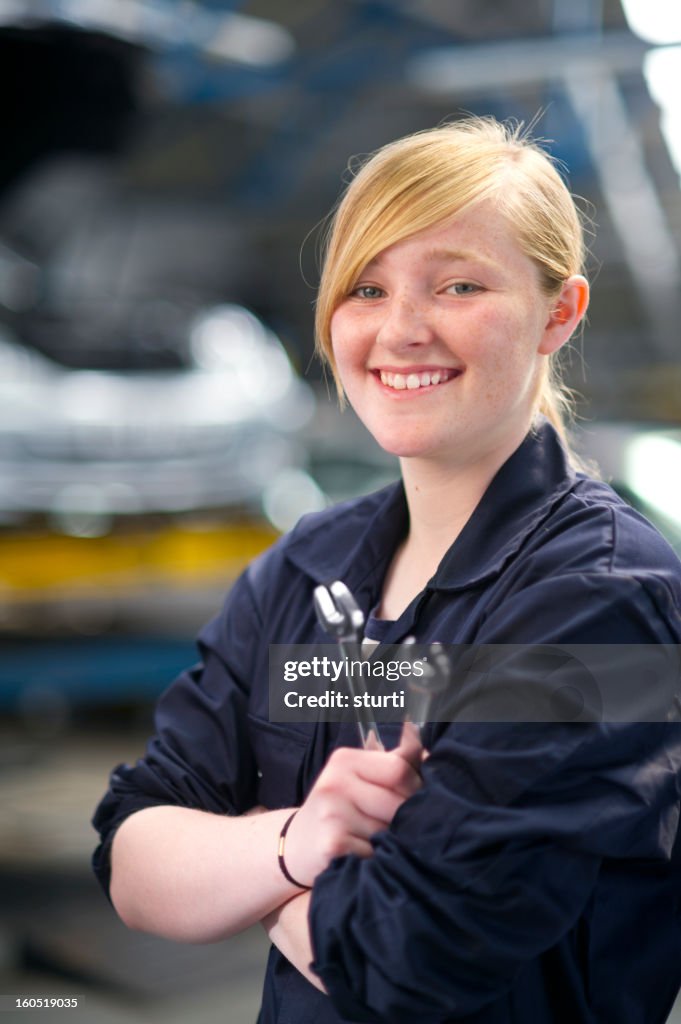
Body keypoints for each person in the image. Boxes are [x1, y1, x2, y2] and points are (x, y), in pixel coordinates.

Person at [93, 117, 681, 1024]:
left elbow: (407, 963)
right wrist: (299, 840)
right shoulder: (303, 570)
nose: (401, 330)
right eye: (365, 287)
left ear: (558, 313)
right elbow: (133, 859)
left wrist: (248, 876)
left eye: (458, 284)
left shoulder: (600, 603)